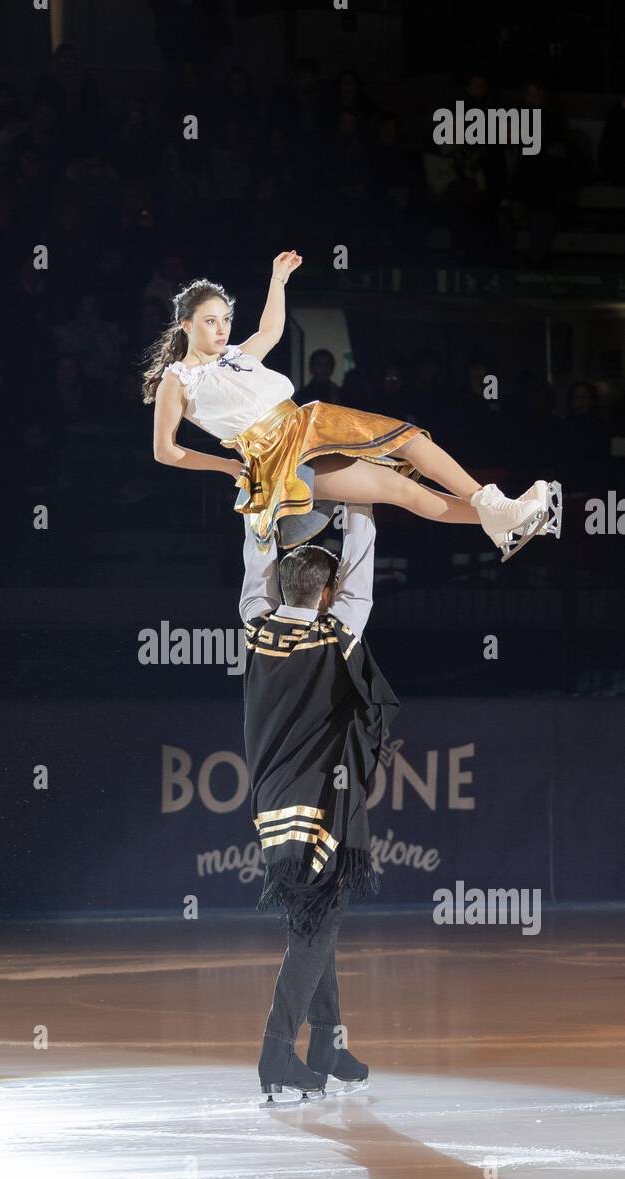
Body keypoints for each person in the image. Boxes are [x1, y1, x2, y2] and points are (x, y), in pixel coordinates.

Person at [144, 252, 562, 562]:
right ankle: (500, 517)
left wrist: (277, 278)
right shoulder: (177, 380)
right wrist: (230, 467)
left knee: (411, 440)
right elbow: (166, 450)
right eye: (210, 321)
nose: (221, 329)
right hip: (277, 457)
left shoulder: (236, 354)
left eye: (225, 319)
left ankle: (501, 509)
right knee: (399, 489)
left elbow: (270, 329)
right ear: (186, 325)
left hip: (308, 420)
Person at [239, 500, 393, 1099]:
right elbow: (363, 562)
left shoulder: (256, 627)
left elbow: (256, 564)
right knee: (314, 930)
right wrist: (360, 497)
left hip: (273, 801)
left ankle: (326, 1041)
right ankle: (276, 1053)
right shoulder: (337, 634)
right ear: (326, 594)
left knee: (315, 921)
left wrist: (260, 508)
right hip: (321, 807)